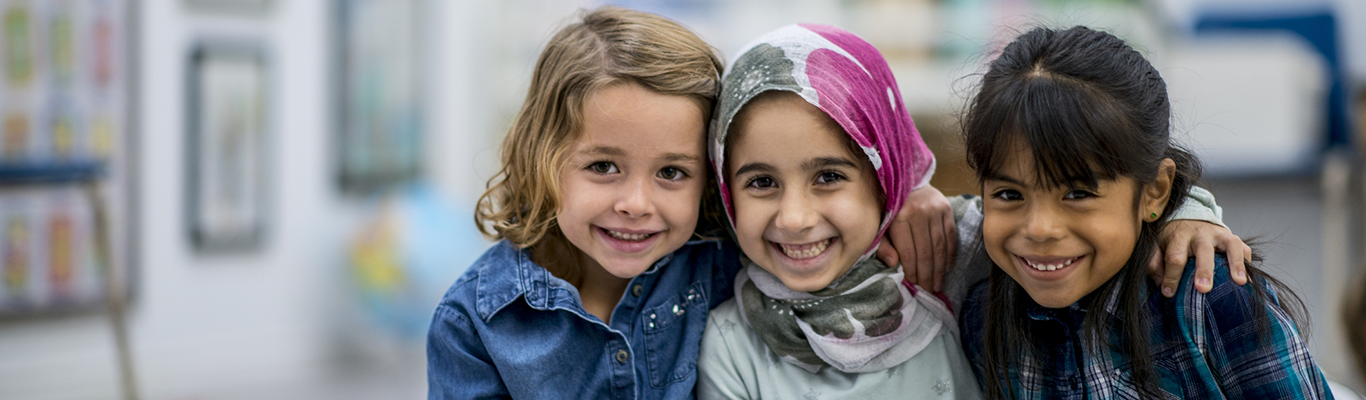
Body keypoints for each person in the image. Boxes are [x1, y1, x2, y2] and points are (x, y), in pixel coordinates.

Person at [958, 26, 1333, 398]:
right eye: (1009, 194)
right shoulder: (983, 320)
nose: (1040, 229)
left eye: (1077, 193)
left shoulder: (1210, 301)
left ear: (1154, 192)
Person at [695, 24, 982, 399]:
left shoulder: (956, 267)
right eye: (762, 183)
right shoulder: (730, 343)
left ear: (886, 179)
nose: (795, 219)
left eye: (828, 176)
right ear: (726, 191)